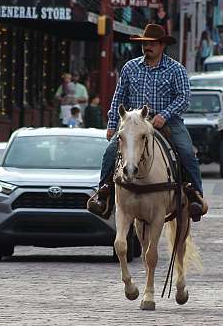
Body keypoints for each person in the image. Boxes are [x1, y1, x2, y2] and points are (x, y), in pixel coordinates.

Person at [87, 23, 208, 221]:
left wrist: (164, 115)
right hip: (134, 122)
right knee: (110, 152)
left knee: (186, 151)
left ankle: (195, 196)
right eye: (144, 43)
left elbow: (184, 97)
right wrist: (111, 125)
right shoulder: (130, 67)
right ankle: (103, 193)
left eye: (152, 43)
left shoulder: (175, 69)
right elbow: (119, 97)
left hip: (167, 121)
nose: (147, 47)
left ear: (162, 45)